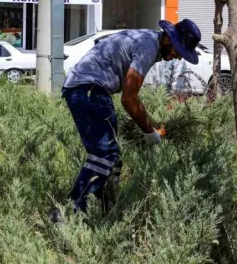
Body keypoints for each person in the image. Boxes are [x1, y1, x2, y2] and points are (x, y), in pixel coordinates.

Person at [52, 19, 202, 220]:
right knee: (105, 154)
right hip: (88, 89)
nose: (176, 56)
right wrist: (149, 133)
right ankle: (69, 215)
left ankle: (105, 212)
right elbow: (129, 98)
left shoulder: (147, 40)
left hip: (87, 89)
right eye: (177, 50)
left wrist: (151, 124)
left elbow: (133, 99)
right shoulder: (148, 46)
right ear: (168, 38)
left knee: (113, 158)